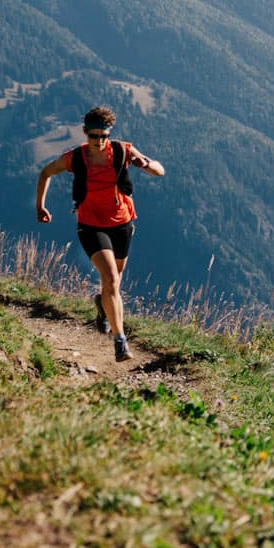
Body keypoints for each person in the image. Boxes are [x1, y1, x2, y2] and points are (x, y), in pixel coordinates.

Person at [34, 105, 164, 362]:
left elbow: (160, 170)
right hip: (91, 226)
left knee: (113, 281)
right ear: (85, 133)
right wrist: (40, 206)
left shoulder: (122, 150)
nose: (99, 141)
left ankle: (103, 306)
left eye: (104, 136)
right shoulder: (76, 157)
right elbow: (46, 172)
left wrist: (145, 164)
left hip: (122, 223)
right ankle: (120, 341)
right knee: (112, 280)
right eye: (94, 136)